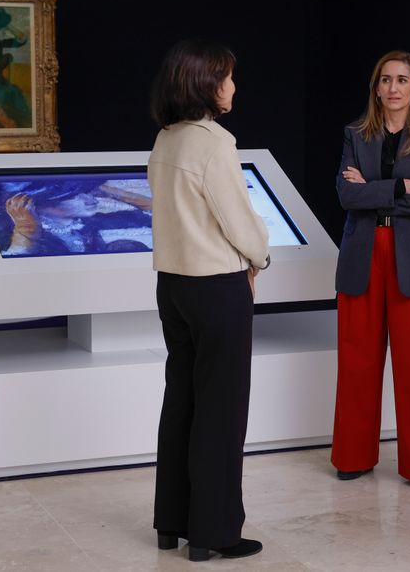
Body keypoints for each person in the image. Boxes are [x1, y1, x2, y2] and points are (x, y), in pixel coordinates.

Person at [147, 40, 270, 562]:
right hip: (216, 287)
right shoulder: (214, 143)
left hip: (172, 286)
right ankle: (213, 534)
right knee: (221, 412)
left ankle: (171, 523)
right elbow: (240, 223)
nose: (234, 86)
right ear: (205, 83)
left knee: (181, 403)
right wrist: (259, 258)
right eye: (228, 77)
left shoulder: (166, 139)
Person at [332, 50, 410, 488]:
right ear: (376, 87)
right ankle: (352, 455)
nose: (393, 88)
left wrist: (375, 191)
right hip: (364, 251)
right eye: (385, 80)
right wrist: (401, 186)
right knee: (357, 361)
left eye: (403, 80)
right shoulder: (355, 134)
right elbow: (346, 196)